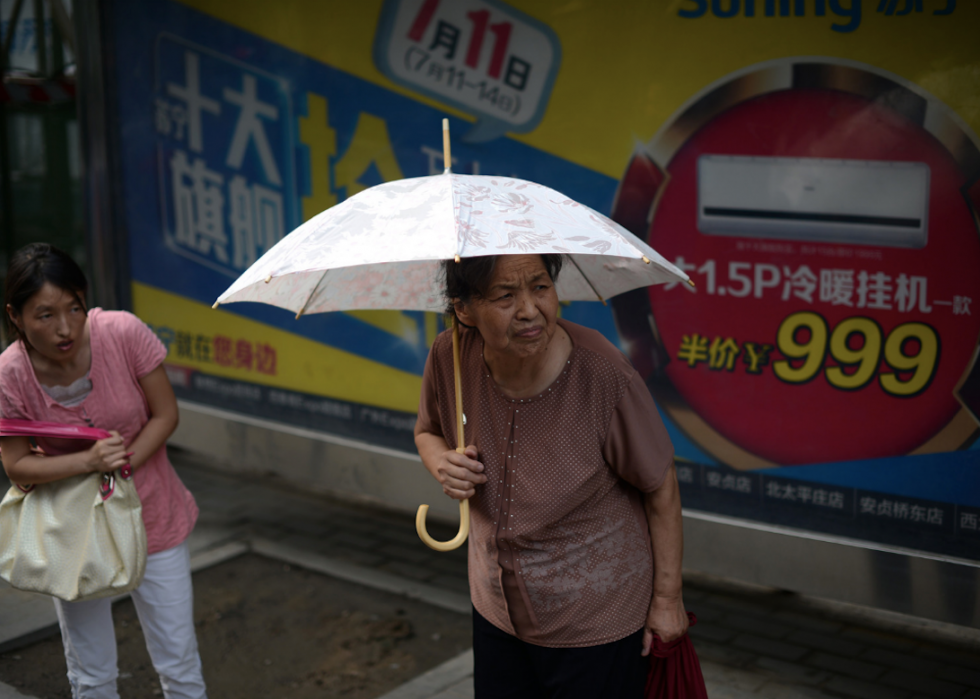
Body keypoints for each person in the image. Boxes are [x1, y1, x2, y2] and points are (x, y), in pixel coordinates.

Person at [415, 253, 688, 698]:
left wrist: (667, 601)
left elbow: (661, 487)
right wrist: (441, 461)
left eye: (540, 287)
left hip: (595, 619)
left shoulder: (602, 373)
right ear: (463, 309)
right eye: (505, 296)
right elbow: (427, 430)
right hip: (496, 609)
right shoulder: (450, 354)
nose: (529, 309)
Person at [0, 243, 206, 699]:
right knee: (91, 673)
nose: (66, 327)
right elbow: (16, 465)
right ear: (15, 315)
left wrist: (121, 464)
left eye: (74, 307)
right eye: (45, 315)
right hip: (76, 535)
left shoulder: (122, 332)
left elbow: (165, 415)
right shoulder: (9, 375)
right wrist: (89, 463)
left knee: (179, 661)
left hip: (155, 519)